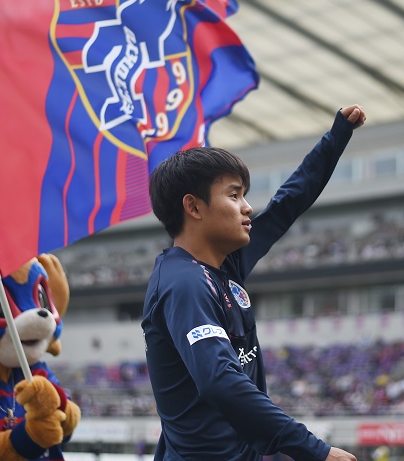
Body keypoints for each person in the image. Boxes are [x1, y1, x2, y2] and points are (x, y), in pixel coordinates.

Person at [142, 105, 366, 461]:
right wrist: (315, 451)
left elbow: (286, 204)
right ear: (194, 207)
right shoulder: (184, 284)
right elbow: (221, 381)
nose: (247, 207)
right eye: (234, 195)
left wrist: (337, 136)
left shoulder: (223, 264)